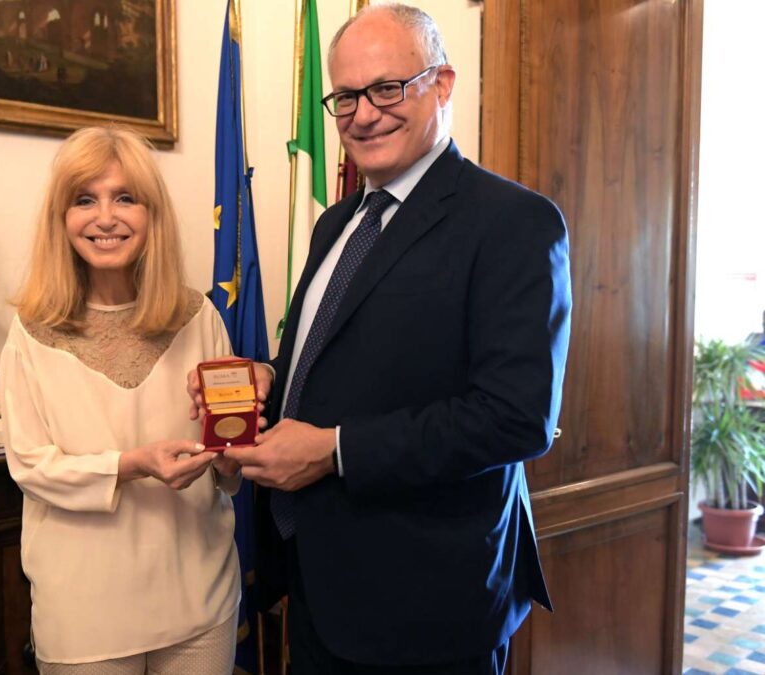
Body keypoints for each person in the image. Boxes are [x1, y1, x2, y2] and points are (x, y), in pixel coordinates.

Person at [196, 5, 572, 674]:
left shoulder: (513, 223)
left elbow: (516, 417)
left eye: (387, 89)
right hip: (316, 580)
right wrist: (271, 383)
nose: (363, 114)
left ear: (443, 83)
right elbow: (331, 358)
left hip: (428, 605)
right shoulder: (335, 224)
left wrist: (335, 450)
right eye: (345, 97)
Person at [0, 126, 243, 675]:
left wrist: (230, 454)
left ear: (152, 215)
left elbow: (227, 467)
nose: (105, 217)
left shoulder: (199, 315)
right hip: (86, 611)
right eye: (84, 199)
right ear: (60, 220)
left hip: (199, 597)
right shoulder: (31, 329)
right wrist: (132, 466)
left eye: (125, 198)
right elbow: (31, 465)